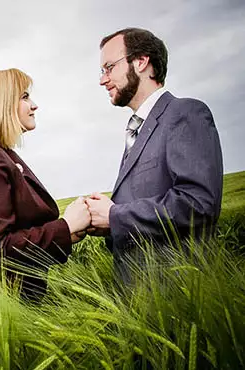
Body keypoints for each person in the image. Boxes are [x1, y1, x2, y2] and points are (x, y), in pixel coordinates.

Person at [86, 28, 223, 283]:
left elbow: (198, 203)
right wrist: (107, 223)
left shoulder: (185, 113)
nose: (102, 80)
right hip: (138, 298)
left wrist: (115, 216)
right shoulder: (137, 127)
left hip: (179, 296)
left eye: (109, 67)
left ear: (141, 61)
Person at [0, 68, 91, 300]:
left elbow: (18, 234)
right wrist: (65, 228)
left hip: (18, 303)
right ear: (2, 103)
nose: (34, 105)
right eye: (25, 97)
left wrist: (68, 234)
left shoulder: (3, 155)